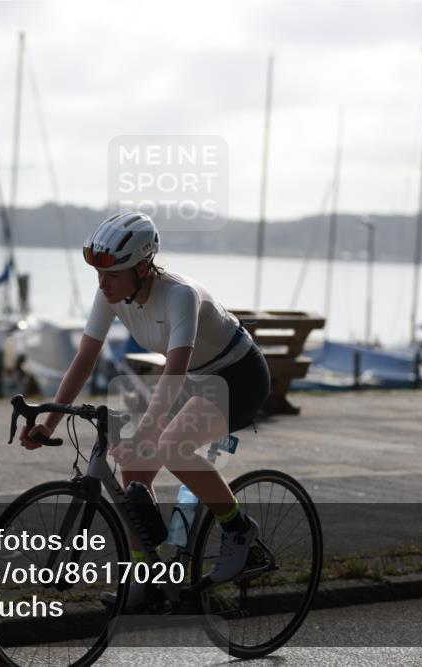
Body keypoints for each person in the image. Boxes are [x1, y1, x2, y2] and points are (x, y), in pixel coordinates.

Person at [19, 211, 272, 607]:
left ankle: (238, 527)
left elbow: (175, 371)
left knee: (170, 446)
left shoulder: (179, 295)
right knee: (135, 469)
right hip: (197, 380)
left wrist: (146, 434)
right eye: (98, 275)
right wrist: (49, 423)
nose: (102, 284)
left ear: (141, 267)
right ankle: (146, 577)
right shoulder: (112, 295)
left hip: (239, 378)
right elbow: (84, 361)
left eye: (112, 275)